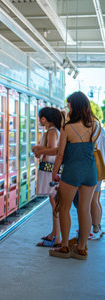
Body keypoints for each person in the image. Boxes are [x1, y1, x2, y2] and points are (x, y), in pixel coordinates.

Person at [49, 91, 98, 260]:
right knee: (85, 209)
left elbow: (60, 155)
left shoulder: (67, 128)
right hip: (90, 172)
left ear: (74, 106)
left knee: (64, 208)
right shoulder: (95, 125)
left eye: (69, 104)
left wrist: (54, 172)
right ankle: (82, 248)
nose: (67, 107)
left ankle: (64, 247)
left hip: (72, 171)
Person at [32, 107, 62, 247]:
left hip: (50, 169)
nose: (39, 120)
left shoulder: (51, 131)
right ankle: (54, 234)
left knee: (54, 202)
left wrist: (38, 149)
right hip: (53, 168)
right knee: (54, 202)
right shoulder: (55, 130)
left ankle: (57, 238)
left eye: (40, 118)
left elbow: (52, 149)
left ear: (44, 118)